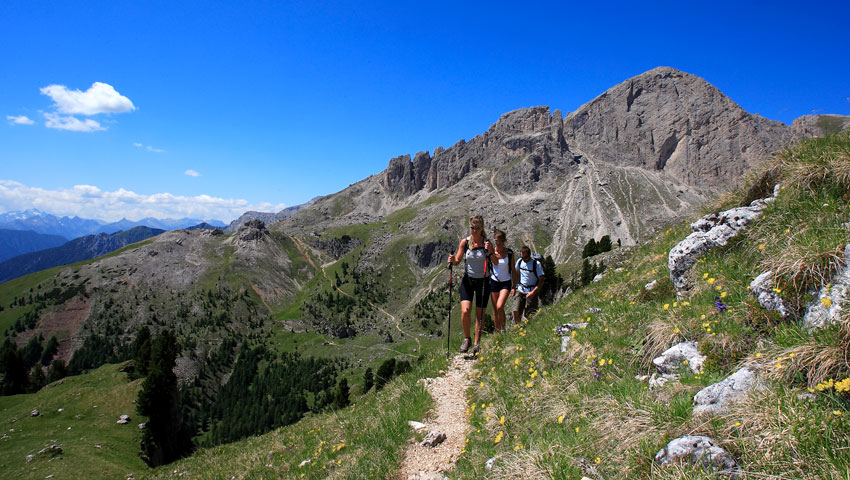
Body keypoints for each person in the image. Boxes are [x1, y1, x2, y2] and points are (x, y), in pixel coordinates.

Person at [447, 215, 492, 354]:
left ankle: (477, 342)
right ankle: (467, 339)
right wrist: (453, 260)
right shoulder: (465, 242)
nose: (474, 231)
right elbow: (458, 261)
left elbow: (495, 261)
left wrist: (490, 251)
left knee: (480, 314)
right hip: (468, 280)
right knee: (465, 311)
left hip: (484, 281)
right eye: (472, 227)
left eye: (477, 228)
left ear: (481, 228)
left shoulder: (487, 243)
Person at [488, 229, 515, 333]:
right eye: (496, 241)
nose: (498, 243)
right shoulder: (492, 252)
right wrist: (490, 252)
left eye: (500, 241)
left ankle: (503, 329)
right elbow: (494, 263)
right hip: (494, 282)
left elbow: (513, 270)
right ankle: (498, 333)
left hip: (506, 282)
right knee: (495, 310)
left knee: (499, 306)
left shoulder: (509, 253)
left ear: (504, 241)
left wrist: (514, 286)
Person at [512, 245, 544, 323]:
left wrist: (533, 292)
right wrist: (513, 287)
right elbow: (516, 274)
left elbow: (541, 280)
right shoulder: (519, 261)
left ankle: (529, 330)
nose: (523, 259)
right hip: (520, 290)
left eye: (525, 257)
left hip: (531, 291)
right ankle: (517, 327)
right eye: (521, 256)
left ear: (529, 255)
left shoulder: (536, 264)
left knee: (530, 315)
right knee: (515, 311)